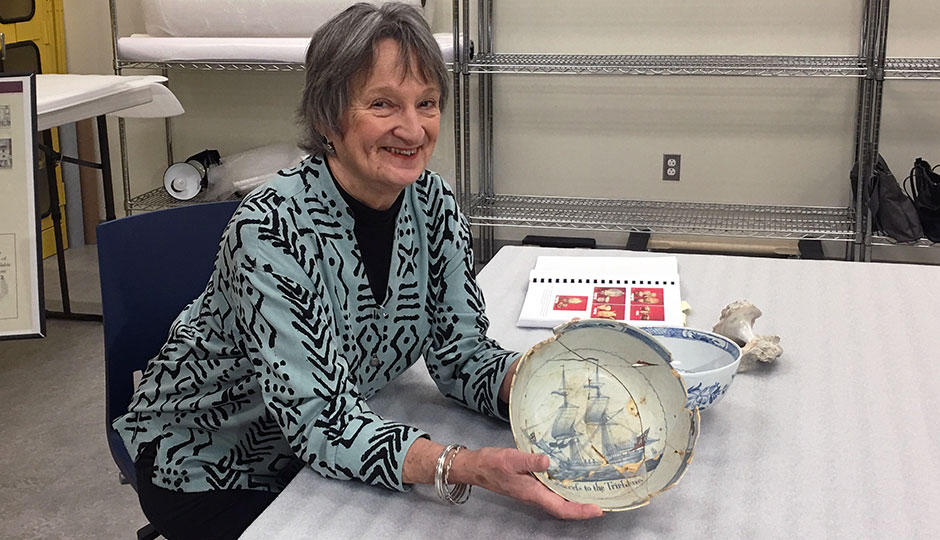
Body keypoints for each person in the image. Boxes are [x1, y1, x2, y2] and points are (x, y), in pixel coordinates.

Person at [114, 3, 603, 538]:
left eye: (428, 103)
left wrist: (543, 385)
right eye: (382, 104)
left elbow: (462, 355)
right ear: (328, 117)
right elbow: (320, 418)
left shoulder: (434, 204)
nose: (413, 129)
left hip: (334, 447)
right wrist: (463, 466)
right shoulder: (272, 227)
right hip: (209, 462)